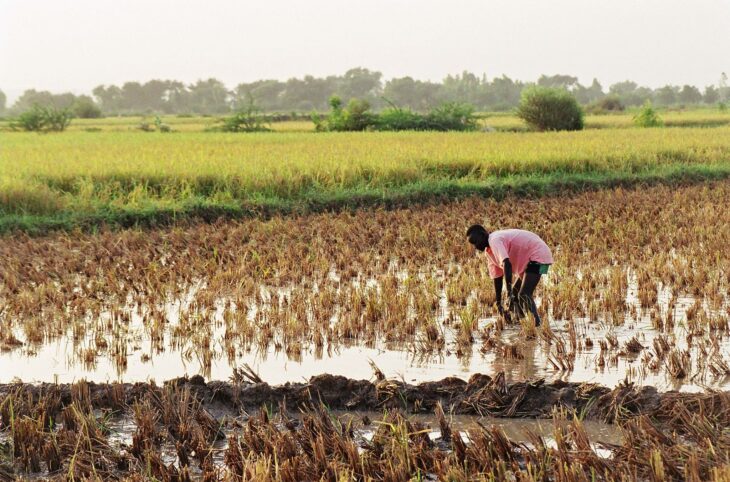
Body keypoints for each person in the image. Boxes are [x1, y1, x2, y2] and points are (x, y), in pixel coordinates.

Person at [466, 224, 553, 326]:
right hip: (529, 262)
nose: (475, 247)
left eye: (476, 242)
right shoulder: (489, 252)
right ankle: (523, 323)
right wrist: (499, 303)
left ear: (483, 234)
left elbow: (506, 264)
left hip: (539, 255)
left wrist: (509, 292)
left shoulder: (494, 239)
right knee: (516, 295)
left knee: (524, 294)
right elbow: (497, 277)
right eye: (473, 244)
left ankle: (537, 325)